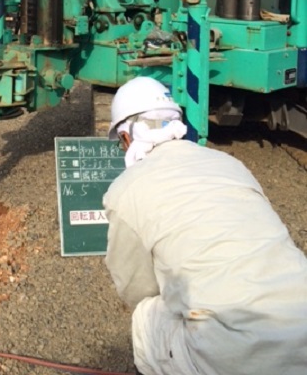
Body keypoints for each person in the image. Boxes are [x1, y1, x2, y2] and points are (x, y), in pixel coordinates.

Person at [103, 76, 307, 375]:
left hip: (235, 355)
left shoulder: (125, 191)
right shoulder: (229, 164)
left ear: (126, 137)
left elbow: (136, 287)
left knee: (146, 316)